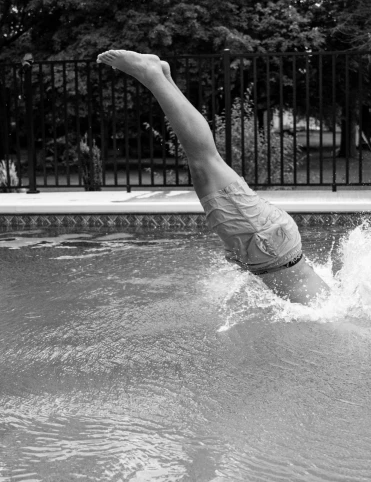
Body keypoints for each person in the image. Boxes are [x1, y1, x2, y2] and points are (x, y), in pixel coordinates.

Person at [96, 50, 329, 305]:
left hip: (270, 247)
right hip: (267, 245)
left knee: (201, 162)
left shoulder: (336, 303)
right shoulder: (338, 315)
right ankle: (152, 75)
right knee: (204, 159)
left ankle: (163, 77)